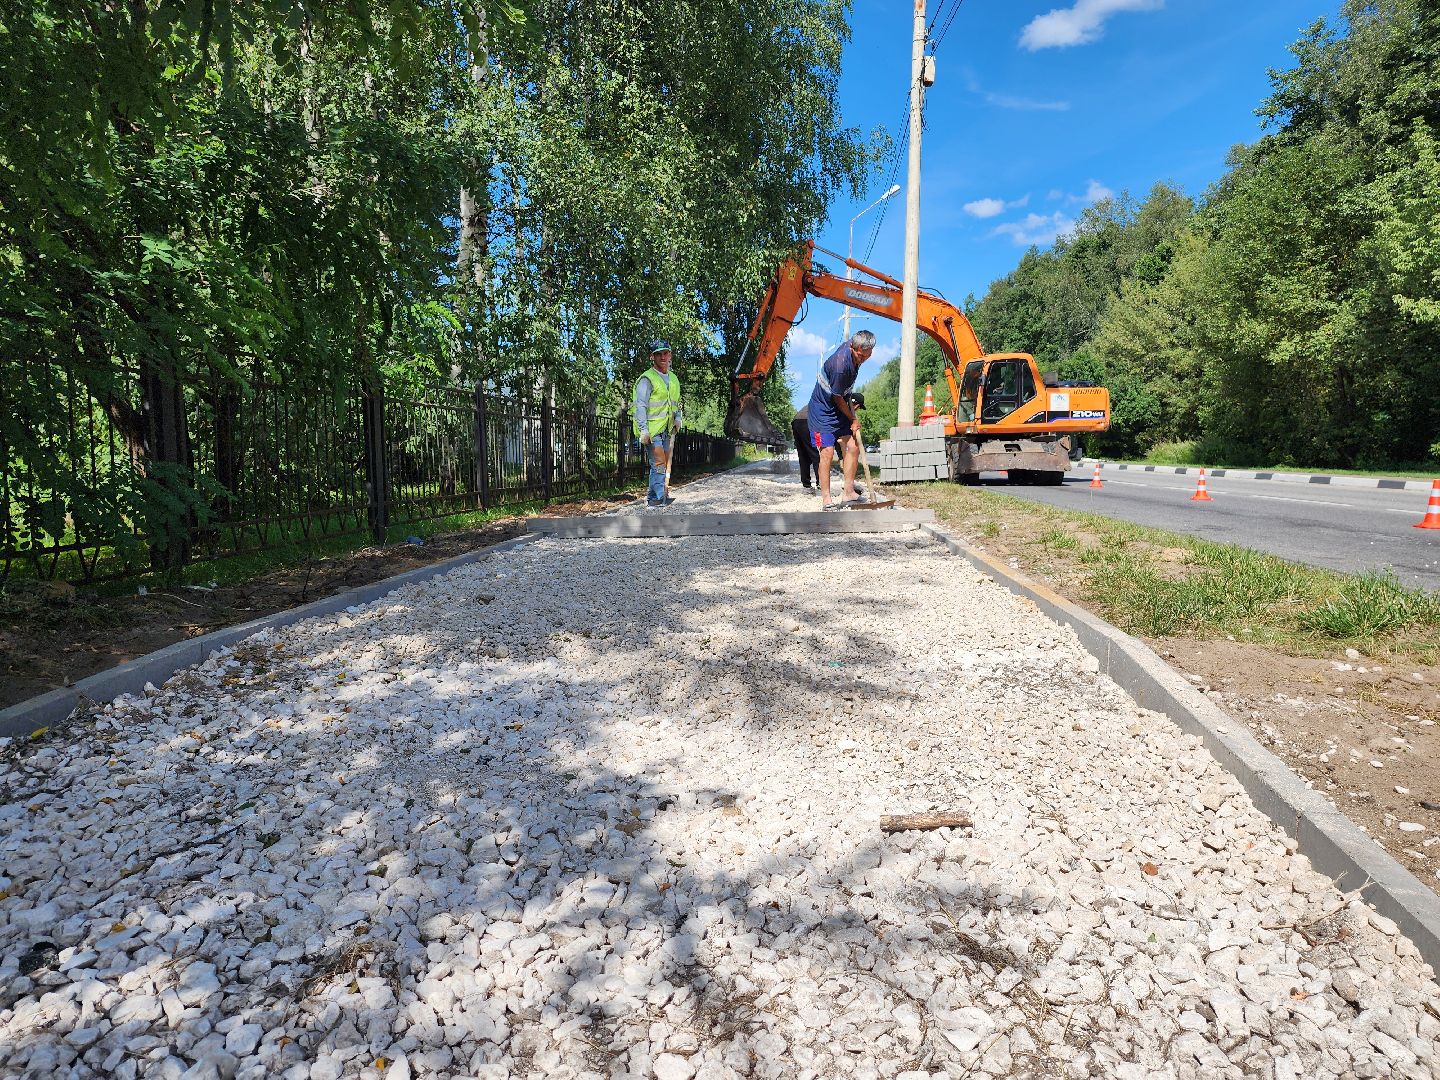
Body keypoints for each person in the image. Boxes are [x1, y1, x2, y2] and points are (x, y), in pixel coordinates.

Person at [806, 330, 874, 510]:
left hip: (838, 408)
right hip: (822, 413)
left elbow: (842, 395)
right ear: (852, 347)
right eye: (859, 355)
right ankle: (826, 499)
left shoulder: (857, 355)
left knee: (853, 445)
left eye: (866, 355)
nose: (862, 359)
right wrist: (853, 418)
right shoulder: (840, 365)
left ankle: (849, 493)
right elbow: (837, 398)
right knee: (827, 452)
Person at [633, 340, 683, 506]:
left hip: (667, 429)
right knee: (659, 463)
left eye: (665, 353)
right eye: (658, 354)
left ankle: (653, 496)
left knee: (664, 462)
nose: (662, 357)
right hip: (652, 430)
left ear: (670, 355)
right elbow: (640, 405)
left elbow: (677, 403)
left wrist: (678, 417)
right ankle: (658, 499)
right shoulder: (647, 379)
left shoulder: (674, 379)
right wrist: (643, 430)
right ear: (652, 357)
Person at [791, 403, 821, 493]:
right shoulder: (830, 401)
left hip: (796, 421)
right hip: (806, 421)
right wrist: (819, 443)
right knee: (816, 455)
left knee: (803, 454)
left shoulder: (817, 399)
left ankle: (806, 484)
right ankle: (821, 483)